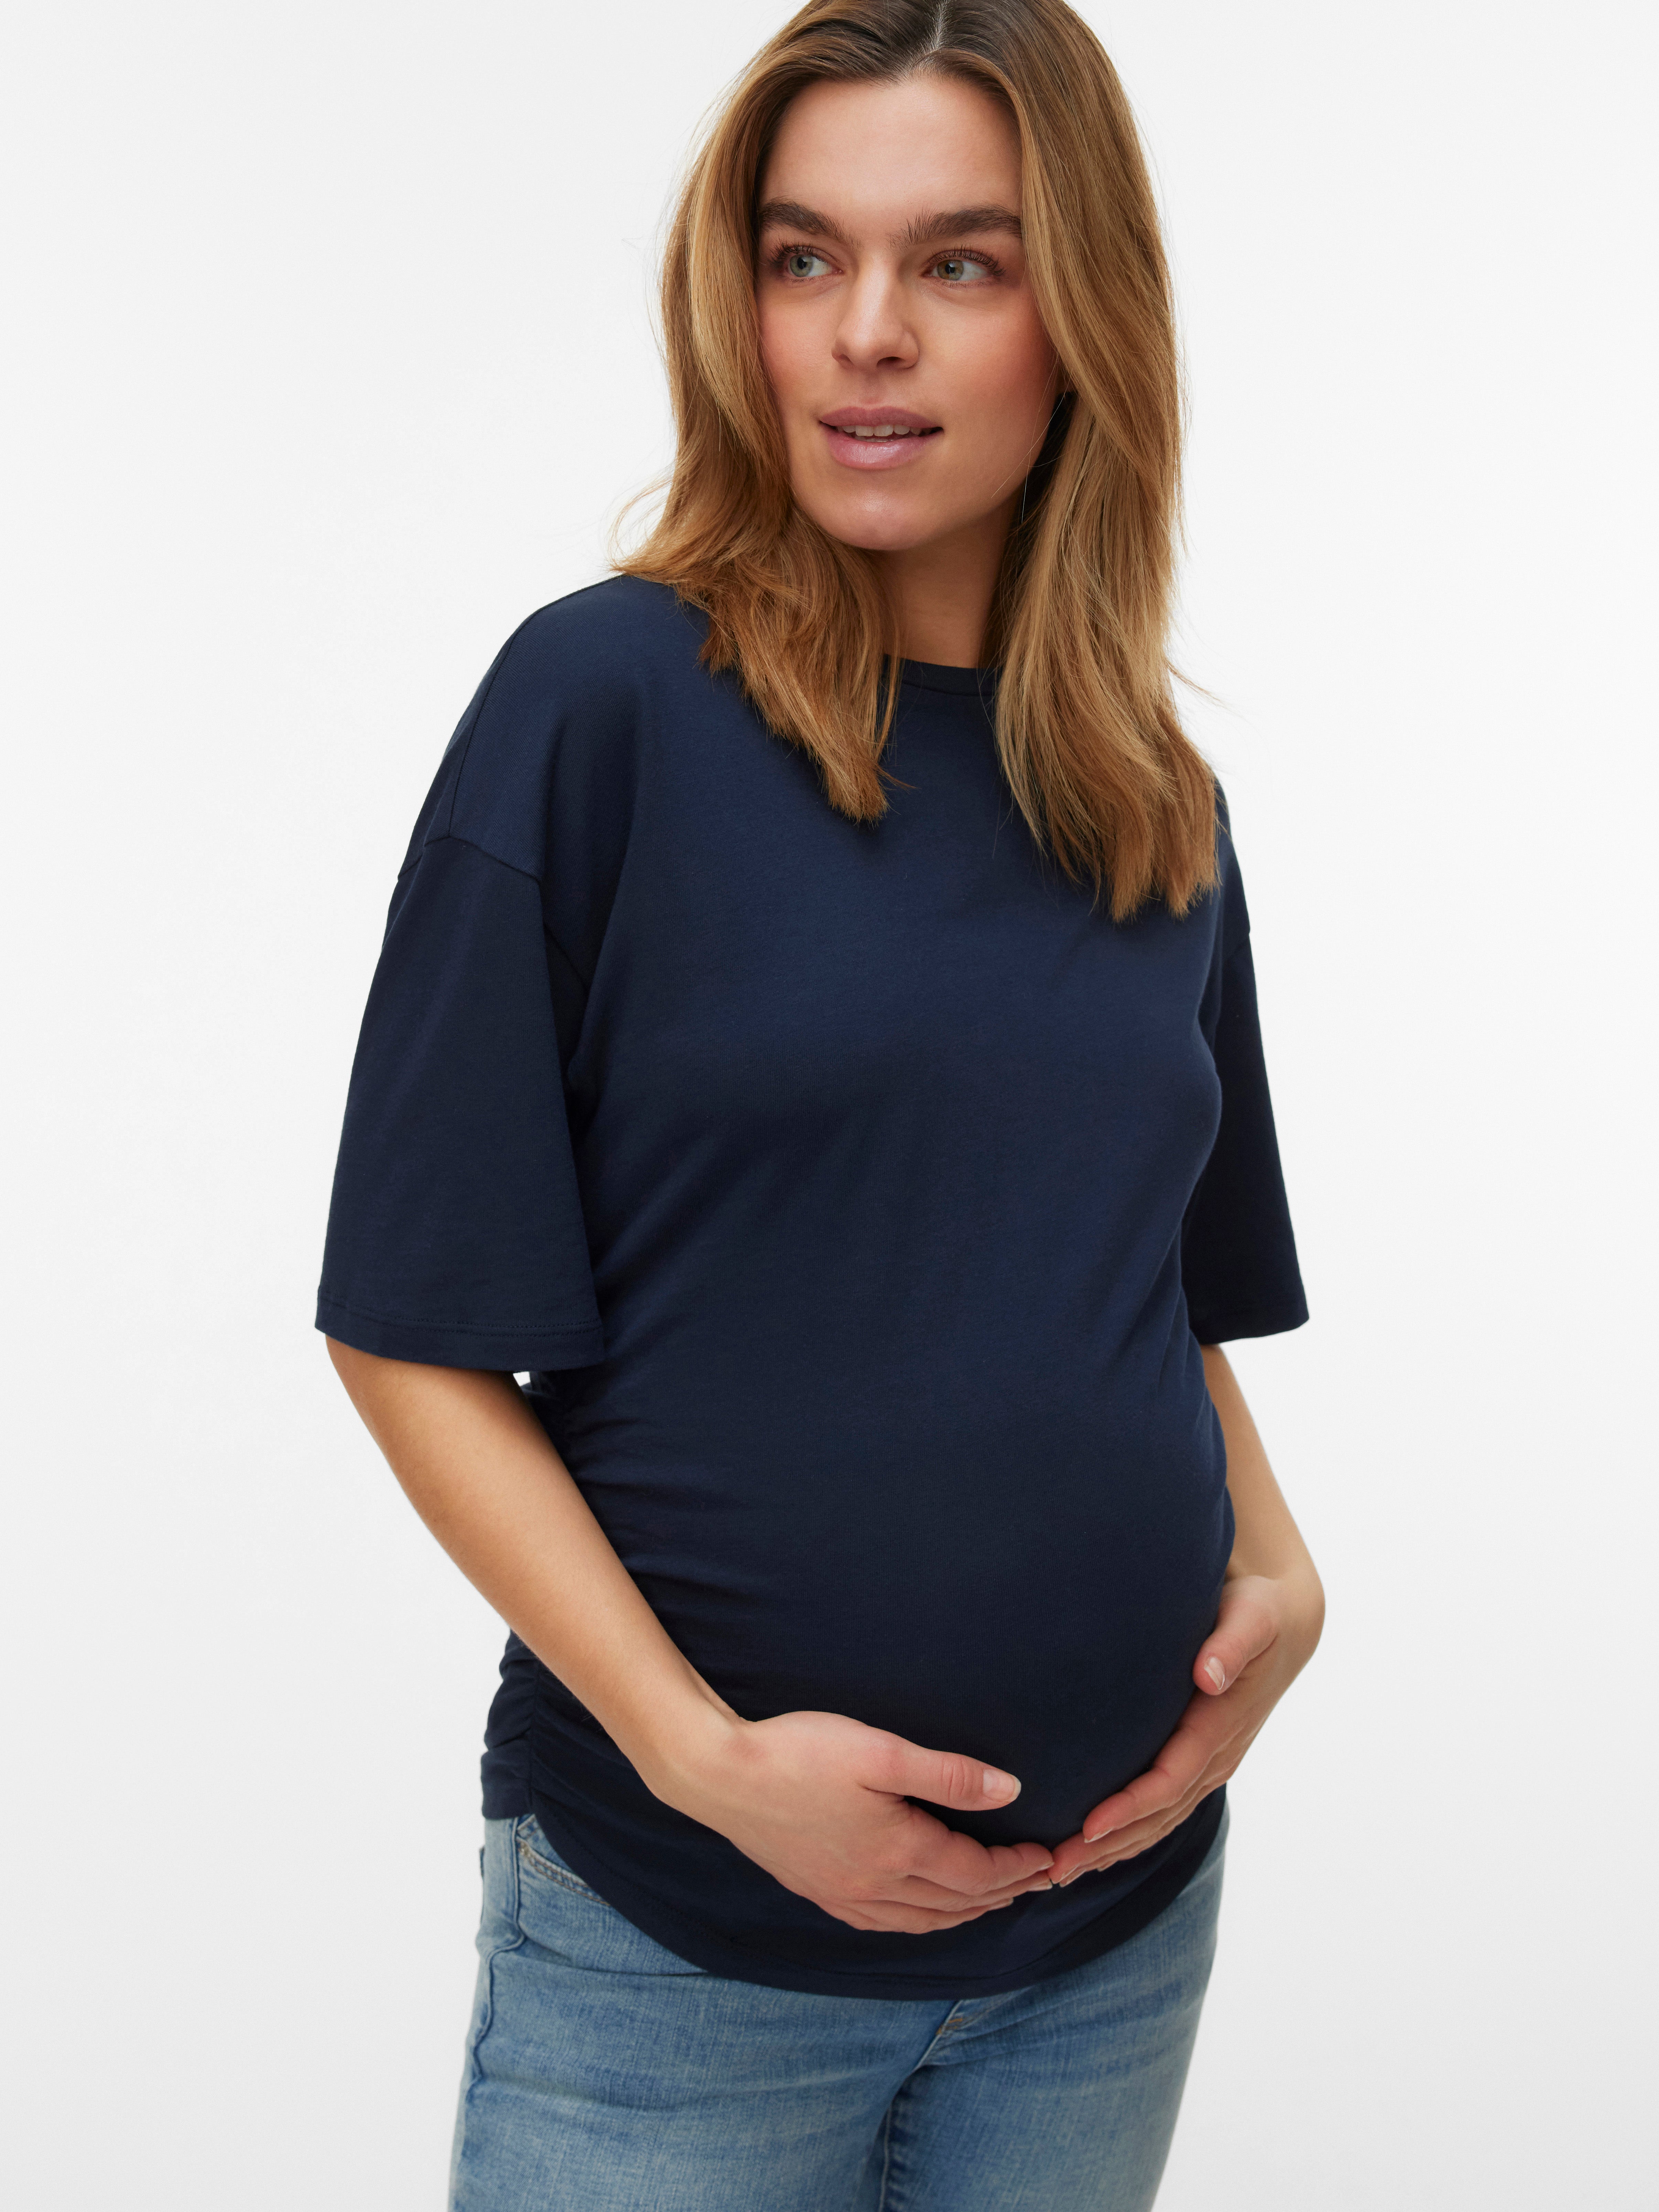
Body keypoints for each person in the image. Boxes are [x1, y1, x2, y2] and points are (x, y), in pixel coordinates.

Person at [316, 3, 1324, 2205]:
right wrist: (702, 1761)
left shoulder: (1147, 792)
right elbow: (406, 1330)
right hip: (679, 1956)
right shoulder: (599, 709)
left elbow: (1152, 1285)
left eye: (959, 261)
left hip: (1110, 1939)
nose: (866, 333)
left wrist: (1280, 1569)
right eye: (803, 257)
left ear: (1082, 315)